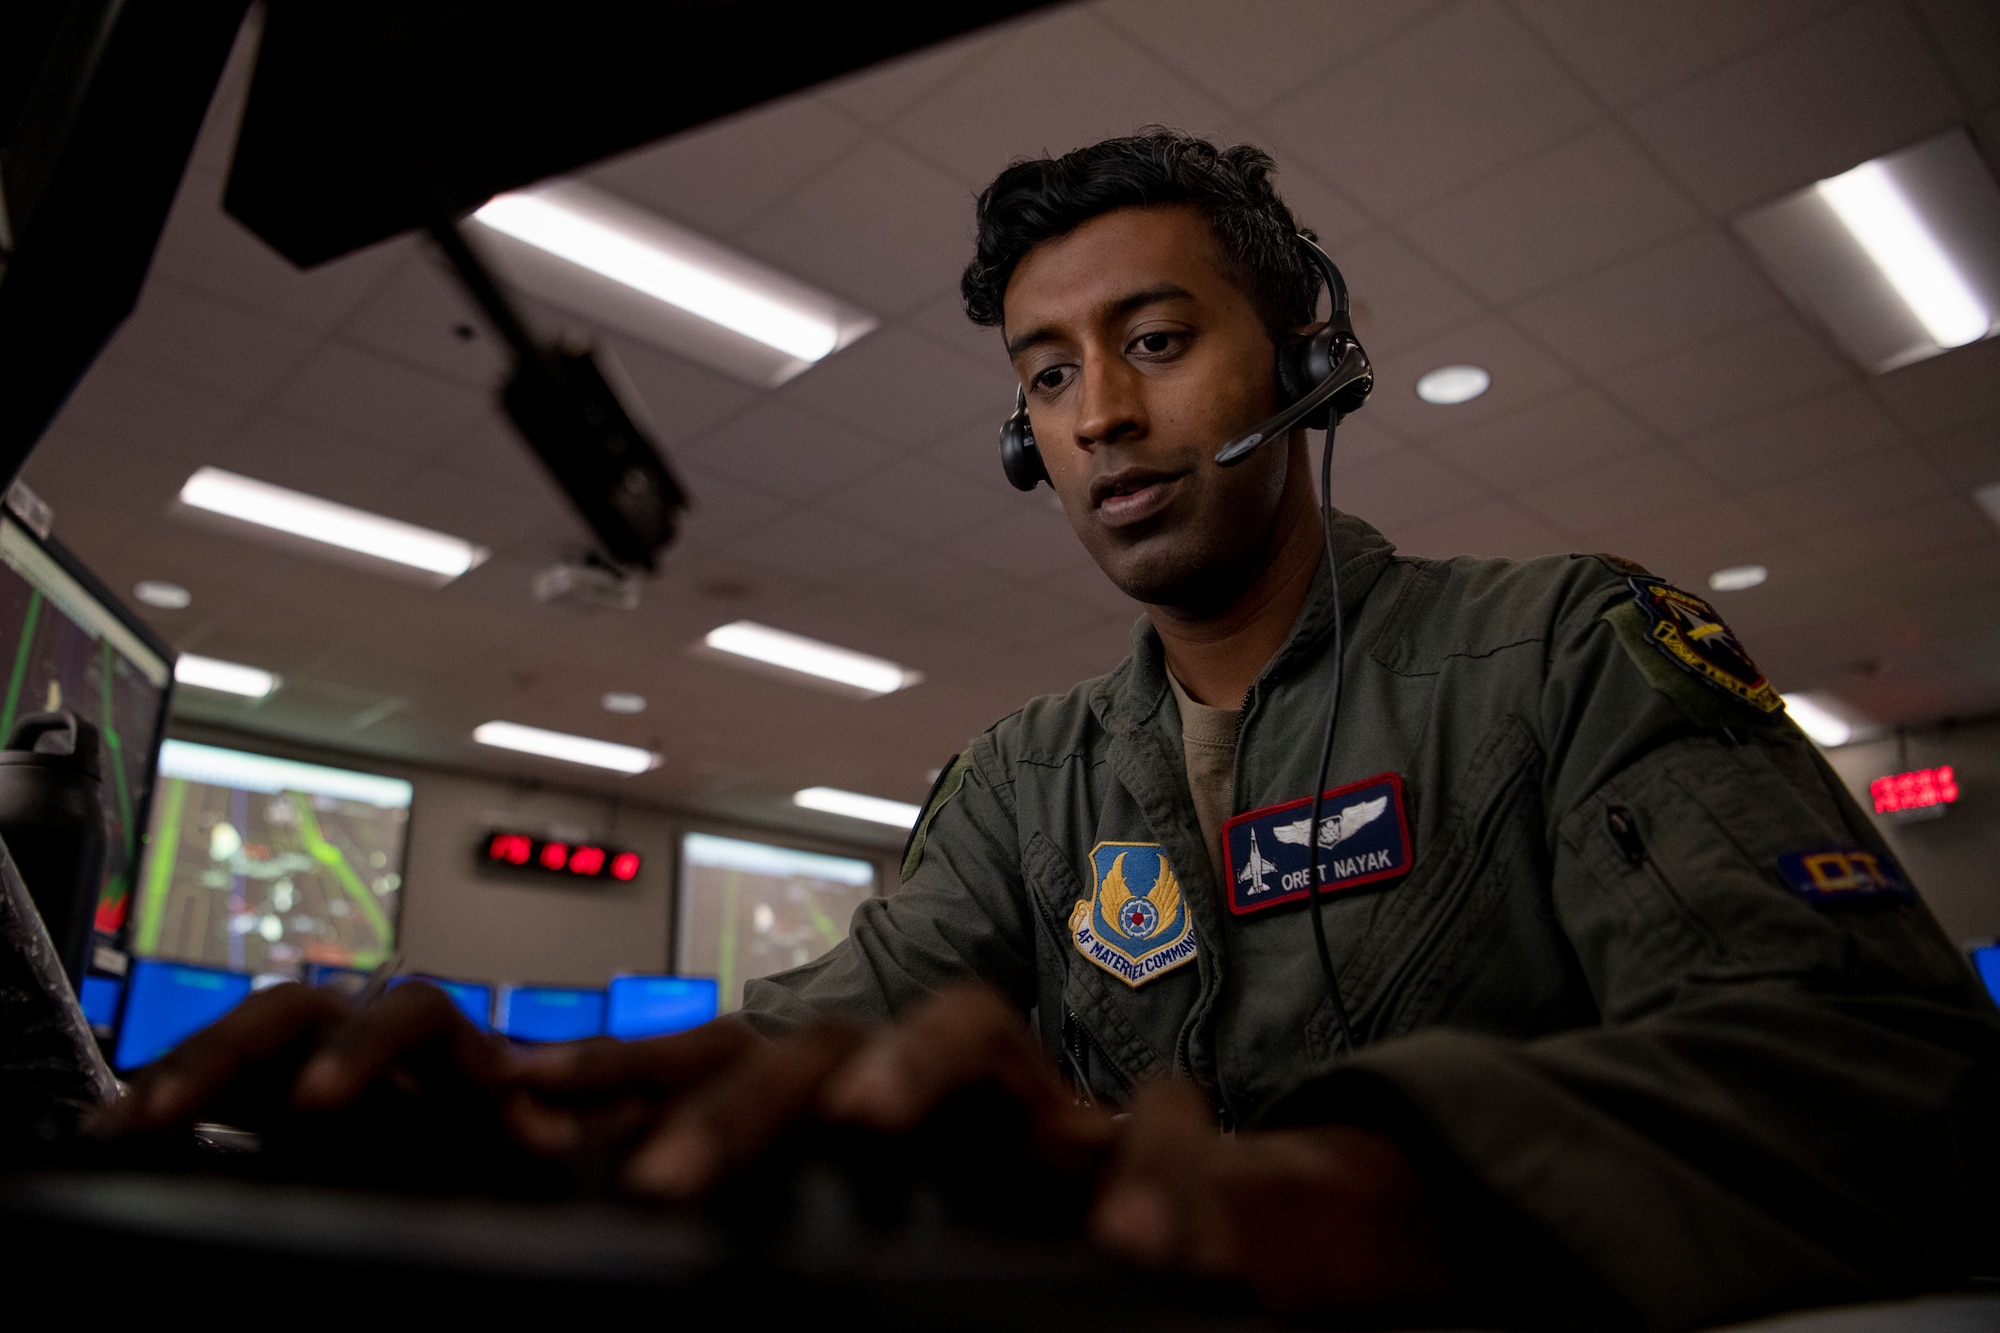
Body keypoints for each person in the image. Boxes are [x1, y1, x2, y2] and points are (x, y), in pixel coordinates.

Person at [93, 131, 2000, 1329]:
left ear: (1308, 361)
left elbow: (1895, 1080)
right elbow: (821, 1039)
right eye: (1048, 372)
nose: (1096, 414)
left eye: (1156, 344)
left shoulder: (1563, 651)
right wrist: (510, 1106)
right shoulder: (1031, 781)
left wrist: (1345, 1189)